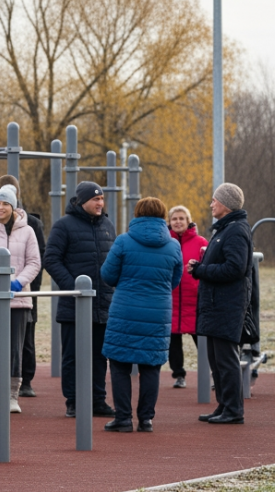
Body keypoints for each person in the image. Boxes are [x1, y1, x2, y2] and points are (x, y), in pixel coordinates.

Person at [100, 197, 182, 433]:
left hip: (124, 309)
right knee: (151, 365)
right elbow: (174, 281)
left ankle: (123, 418)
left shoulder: (124, 241)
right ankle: (146, 420)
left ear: (137, 214)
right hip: (158, 312)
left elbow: (108, 274)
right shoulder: (173, 245)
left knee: (119, 364)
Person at [44, 181, 117, 418]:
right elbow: (51, 259)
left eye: (102, 199)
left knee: (99, 356)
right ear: (82, 201)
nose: (100, 203)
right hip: (74, 304)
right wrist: (73, 287)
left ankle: (97, 400)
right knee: (72, 356)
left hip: (102, 304)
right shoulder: (63, 226)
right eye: (95, 199)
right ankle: (73, 401)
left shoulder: (107, 225)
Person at [0, 186, 41, 413]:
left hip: (19, 299)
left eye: (5, 204)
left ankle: (12, 396)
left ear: (13, 207)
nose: (0, 208)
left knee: (15, 349)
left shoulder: (27, 231)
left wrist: (19, 283)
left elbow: (34, 262)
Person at [192, 183, 252, 425]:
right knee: (217, 360)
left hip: (227, 305)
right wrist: (203, 265)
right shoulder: (226, 229)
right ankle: (224, 405)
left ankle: (234, 410)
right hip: (217, 304)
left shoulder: (235, 230)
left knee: (226, 360)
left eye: (214, 200)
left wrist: (201, 270)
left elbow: (235, 268)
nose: (211, 204)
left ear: (225, 204)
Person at [0, 175, 46, 398]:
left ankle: (25, 379)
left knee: (25, 335)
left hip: (24, 288)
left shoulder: (32, 225)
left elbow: (37, 258)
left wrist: (25, 284)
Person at [167, 205, 207, 388]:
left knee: (203, 340)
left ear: (188, 221)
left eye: (181, 218)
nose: (178, 222)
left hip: (195, 301)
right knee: (173, 342)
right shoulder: (165, 242)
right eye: (174, 219)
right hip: (172, 300)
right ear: (169, 222)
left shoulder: (201, 242)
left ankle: (212, 373)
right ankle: (178, 375)